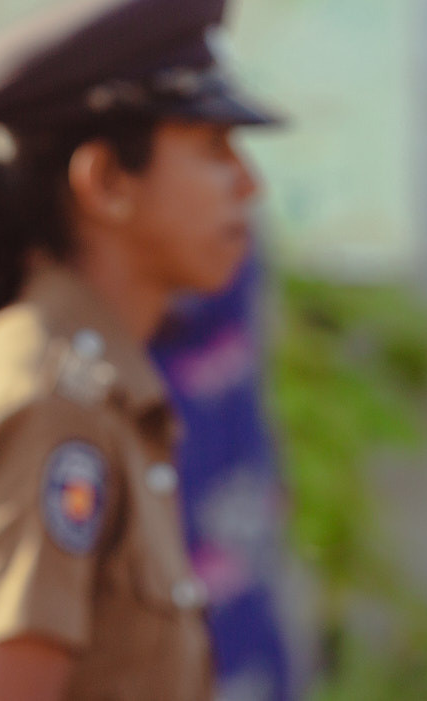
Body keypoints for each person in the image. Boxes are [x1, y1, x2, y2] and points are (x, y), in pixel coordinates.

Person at [0, 0, 280, 701]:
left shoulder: (82, 377)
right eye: (215, 147)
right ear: (106, 181)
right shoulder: (57, 401)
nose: (248, 183)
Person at [150, 244, 297, 701]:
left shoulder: (231, 239)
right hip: (170, 500)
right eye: (215, 164)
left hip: (234, 490)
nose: (246, 186)